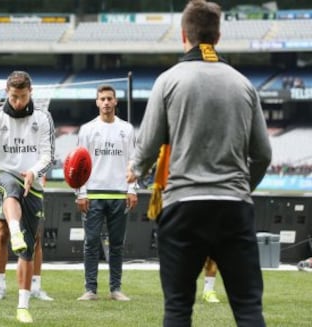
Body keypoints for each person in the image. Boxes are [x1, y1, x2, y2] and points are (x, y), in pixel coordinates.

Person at [126, 1, 272, 326]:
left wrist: (134, 169)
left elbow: (148, 147)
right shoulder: (244, 84)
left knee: (178, 309)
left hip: (183, 207)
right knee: (249, 310)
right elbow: (263, 155)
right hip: (234, 206)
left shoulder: (168, 81)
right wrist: (240, 188)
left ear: (183, 35)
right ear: (218, 36)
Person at [0, 71, 55, 323]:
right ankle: (0, 282)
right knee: (9, 193)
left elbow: (47, 154)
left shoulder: (42, 118)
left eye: (22, 96)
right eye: (13, 97)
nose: (17, 102)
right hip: (1, 173)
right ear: (6, 93)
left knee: (28, 249)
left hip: (30, 179)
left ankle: (23, 304)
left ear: (31, 92)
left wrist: (34, 171)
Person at [76, 84, 138, 301]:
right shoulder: (87, 130)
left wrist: (132, 189)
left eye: (109, 99)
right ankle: (90, 289)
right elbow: (80, 164)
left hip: (119, 193)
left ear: (115, 101)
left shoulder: (127, 129)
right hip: (93, 194)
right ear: (96, 102)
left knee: (117, 244)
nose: (106, 103)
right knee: (91, 242)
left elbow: (133, 161)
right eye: (102, 99)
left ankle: (115, 289)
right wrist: (81, 193)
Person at [0, 204, 53, 301]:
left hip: (31, 191)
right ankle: (0, 287)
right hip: (6, 190)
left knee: (36, 235)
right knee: (2, 233)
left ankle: (35, 288)